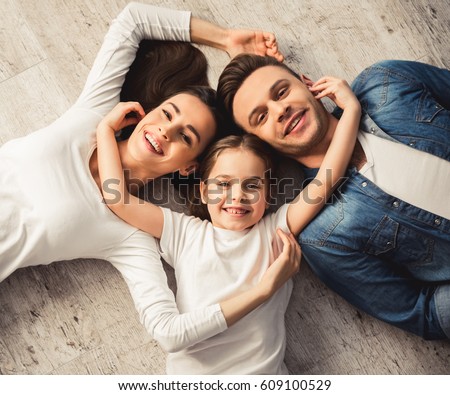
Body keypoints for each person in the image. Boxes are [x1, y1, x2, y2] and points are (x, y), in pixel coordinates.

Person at [0, 2, 286, 353]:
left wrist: (263, 291)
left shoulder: (129, 235)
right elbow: (133, 20)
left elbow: (169, 332)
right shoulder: (91, 113)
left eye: (186, 136)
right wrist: (226, 38)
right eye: (167, 113)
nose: (166, 130)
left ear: (189, 167)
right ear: (148, 111)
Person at [95, 73, 360, 373]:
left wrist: (351, 109)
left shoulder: (275, 231)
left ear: (267, 192)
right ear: (204, 191)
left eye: (252, 186)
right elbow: (117, 197)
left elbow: (328, 178)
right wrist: (105, 130)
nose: (238, 197)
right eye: (223, 184)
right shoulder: (184, 233)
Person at [216, 54, 450, 340]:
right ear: (260, 143)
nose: (280, 109)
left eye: (282, 92)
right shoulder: (324, 236)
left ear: (307, 84)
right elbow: (422, 313)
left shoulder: (386, 82)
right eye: (261, 117)